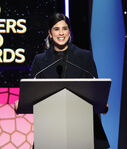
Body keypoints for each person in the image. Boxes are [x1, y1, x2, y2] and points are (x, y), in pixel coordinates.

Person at [31, 13, 110, 149]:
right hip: (51, 130)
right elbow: (33, 91)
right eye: (56, 29)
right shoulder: (40, 61)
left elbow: (95, 88)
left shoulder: (84, 57)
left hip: (83, 127)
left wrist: (101, 103)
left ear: (69, 31)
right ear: (50, 33)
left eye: (65, 28)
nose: (61, 33)